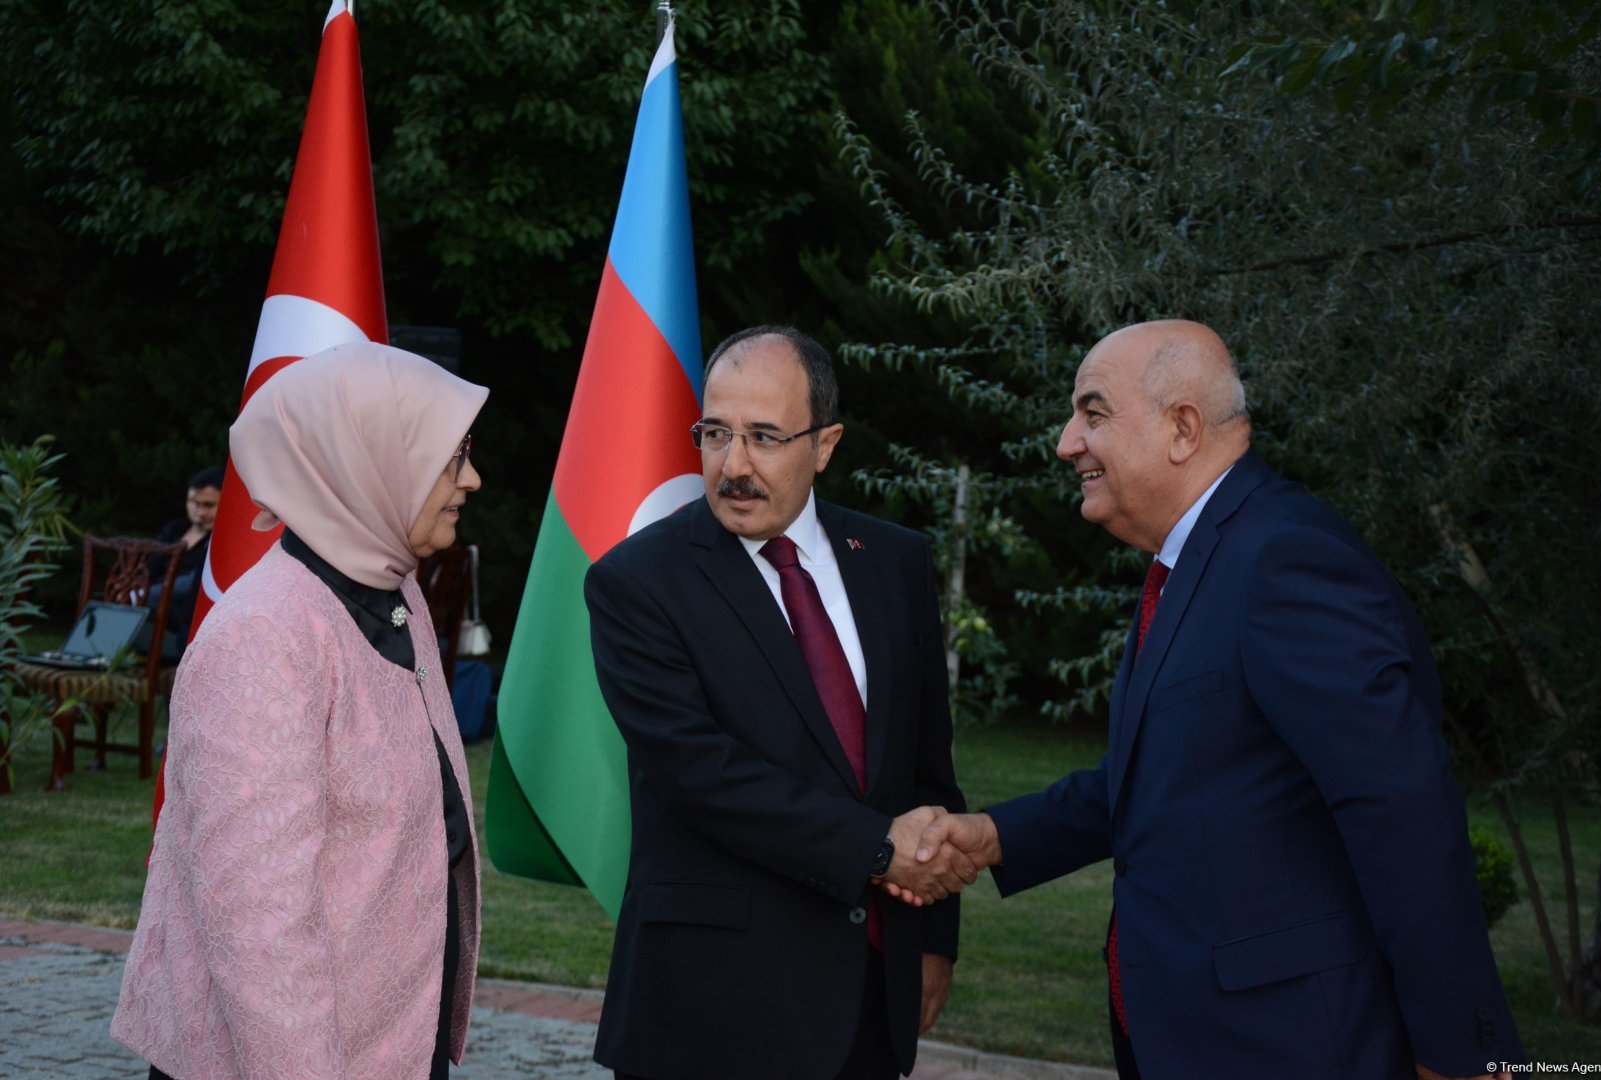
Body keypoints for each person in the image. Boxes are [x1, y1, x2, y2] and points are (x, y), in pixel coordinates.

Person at [895, 321, 1523, 1080]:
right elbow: (1162, 779)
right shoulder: (1197, 561)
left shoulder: (1283, 560)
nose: (1066, 443)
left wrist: (1462, 1054)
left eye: (1092, 413)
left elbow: (1402, 809)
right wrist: (994, 835)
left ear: (1182, 427)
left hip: (1291, 1046)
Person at [584, 326, 974, 1080]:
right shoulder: (638, 583)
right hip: (712, 1012)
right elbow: (702, 775)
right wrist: (878, 850)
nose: (734, 465)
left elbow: (927, 767)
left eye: (764, 436)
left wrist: (931, 941)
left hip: (869, 1000)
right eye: (715, 433)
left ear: (824, 444)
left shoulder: (894, 562)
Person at [111, 340, 488, 1080]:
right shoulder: (265, 638)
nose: (472, 480)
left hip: (386, 1050)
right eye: (452, 458)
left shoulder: (393, 590)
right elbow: (258, 932)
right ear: (372, 462)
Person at [146, 466, 222, 660]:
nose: (200, 511)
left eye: (208, 505)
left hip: (181, 623)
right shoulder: (174, 530)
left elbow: (191, 585)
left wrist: (142, 594)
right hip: (149, 610)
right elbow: (147, 567)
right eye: (194, 503)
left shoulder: (221, 542)